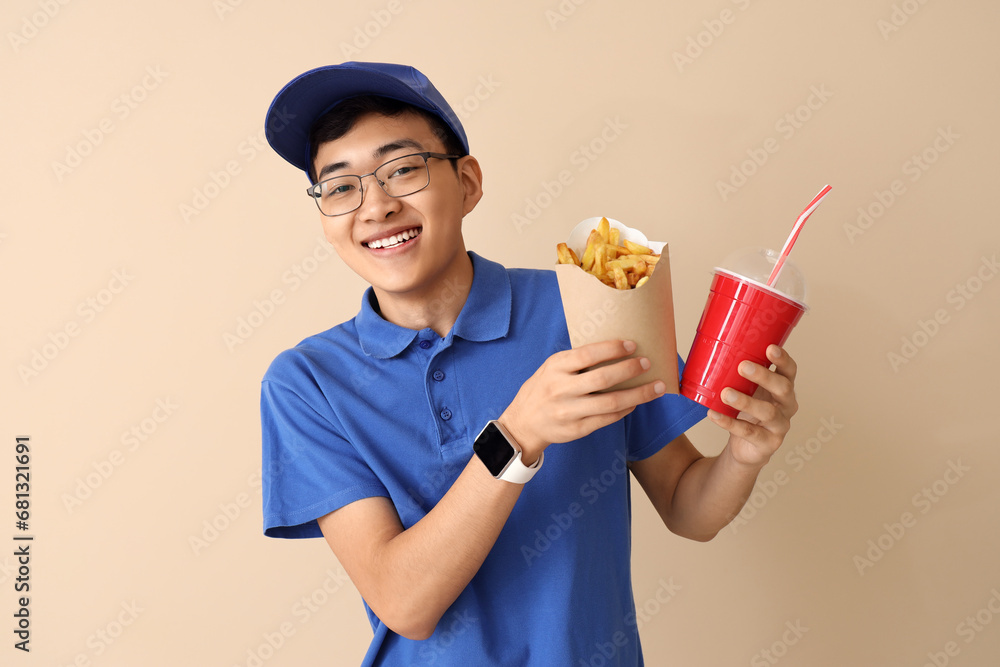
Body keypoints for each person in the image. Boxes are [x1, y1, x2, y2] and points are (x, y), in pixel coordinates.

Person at [260, 62, 799, 666]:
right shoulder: (307, 383)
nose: (376, 205)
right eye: (340, 187)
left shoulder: (586, 304)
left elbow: (687, 507)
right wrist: (516, 437)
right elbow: (405, 604)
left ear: (467, 183)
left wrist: (744, 457)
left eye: (403, 169)